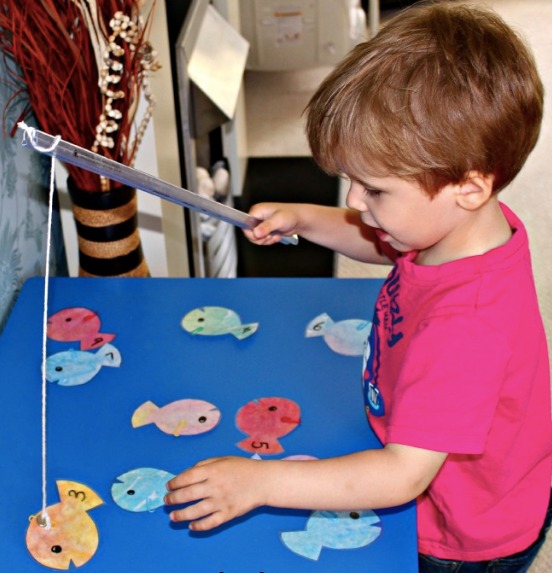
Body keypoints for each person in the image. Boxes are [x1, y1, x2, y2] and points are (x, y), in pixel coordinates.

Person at [165, 2, 552, 570]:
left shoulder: (466, 326)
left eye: (374, 189)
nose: (353, 202)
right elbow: (382, 242)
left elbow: (400, 475)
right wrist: (303, 217)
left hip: (462, 533)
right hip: (433, 445)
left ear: (468, 186)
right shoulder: (460, 224)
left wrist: (259, 483)